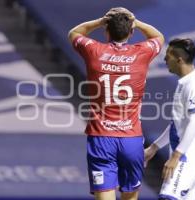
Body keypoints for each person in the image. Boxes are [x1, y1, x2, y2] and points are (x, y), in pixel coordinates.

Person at [68, 7, 164, 200]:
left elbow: (74, 33)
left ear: (106, 31)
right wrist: (135, 21)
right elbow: (159, 37)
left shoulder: (94, 50)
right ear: (131, 32)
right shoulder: (142, 52)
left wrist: (100, 20)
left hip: (101, 137)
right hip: (131, 137)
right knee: (130, 196)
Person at [144, 38, 195, 200]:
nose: (165, 59)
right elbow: (178, 124)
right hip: (187, 159)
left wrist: (176, 156)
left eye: (168, 55)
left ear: (179, 59)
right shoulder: (185, 83)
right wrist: (154, 147)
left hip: (187, 160)